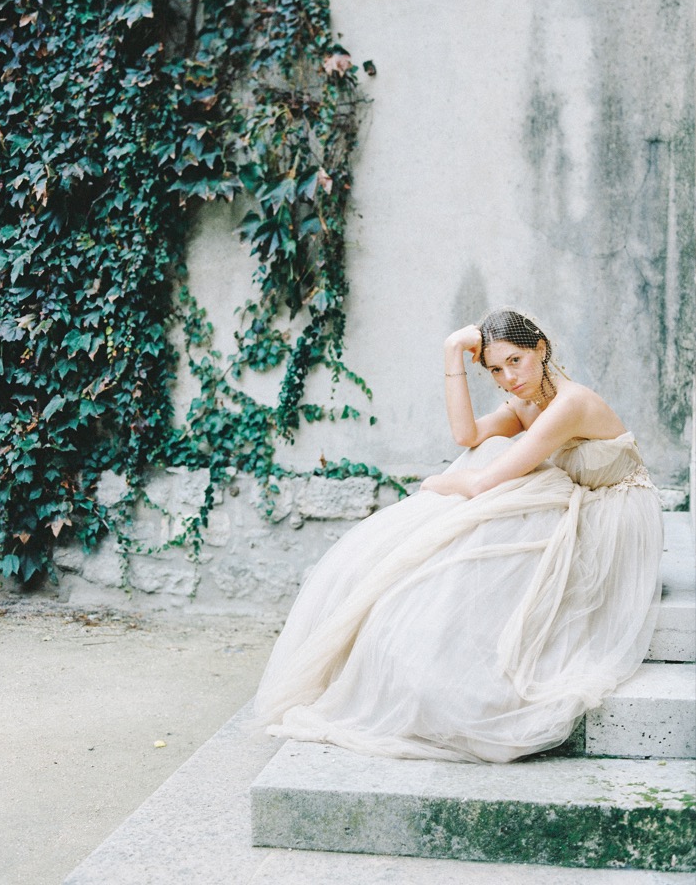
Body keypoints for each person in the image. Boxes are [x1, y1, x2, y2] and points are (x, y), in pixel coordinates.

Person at [253, 309, 663, 763]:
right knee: (486, 451)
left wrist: (434, 485)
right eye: (495, 369)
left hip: (615, 510)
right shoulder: (524, 403)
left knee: (481, 484)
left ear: (540, 349)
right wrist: (452, 352)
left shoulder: (570, 403)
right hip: (575, 494)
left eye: (516, 361)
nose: (509, 378)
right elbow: (465, 434)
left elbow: (483, 482)